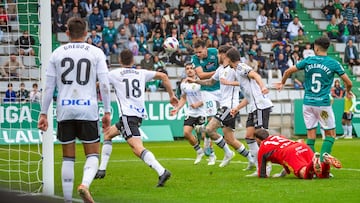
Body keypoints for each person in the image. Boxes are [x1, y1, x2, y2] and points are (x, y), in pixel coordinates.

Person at [37, 17, 111, 203]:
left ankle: (68, 200)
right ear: (86, 33)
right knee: (93, 155)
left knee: (68, 158)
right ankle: (84, 185)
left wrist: (43, 113)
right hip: (88, 110)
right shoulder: (96, 52)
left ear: (67, 33)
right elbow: (104, 84)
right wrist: (107, 111)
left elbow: (48, 87)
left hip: (65, 109)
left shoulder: (57, 53)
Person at [95, 49, 178, 187]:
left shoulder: (115, 74)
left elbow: (101, 84)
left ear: (120, 61)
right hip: (136, 116)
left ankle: (162, 171)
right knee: (108, 135)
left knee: (137, 148)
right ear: (133, 61)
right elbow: (164, 76)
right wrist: (171, 95)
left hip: (128, 116)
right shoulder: (141, 73)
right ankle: (102, 169)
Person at [275, 36, 353, 163]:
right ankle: (322, 163)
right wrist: (348, 92)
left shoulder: (308, 60)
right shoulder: (333, 63)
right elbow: (348, 83)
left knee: (310, 136)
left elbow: (288, 71)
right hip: (322, 105)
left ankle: (311, 165)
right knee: (331, 135)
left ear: (316, 48)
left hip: (307, 104)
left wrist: (282, 83)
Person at [187, 45, 255, 168]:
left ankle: (223, 150)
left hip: (230, 107)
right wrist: (196, 81)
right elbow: (210, 82)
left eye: (219, 54)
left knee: (209, 129)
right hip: (225, 106)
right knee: (230, 139)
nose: (217, 56)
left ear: (224, 55)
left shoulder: (234, 69)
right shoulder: (220, 69)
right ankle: (251, 159)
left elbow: (244, 81)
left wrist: (230, 83)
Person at [214, 47, 272, 176]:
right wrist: (237, 108)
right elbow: (248, 96)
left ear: (229, 59)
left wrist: (263, 86)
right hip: (253, 106)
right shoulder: (237, 71)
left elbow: (255, 75)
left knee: (260, 137)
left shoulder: (240, 67)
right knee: (249, 137)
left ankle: (269, 165)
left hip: (261, 106)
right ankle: (260, 168)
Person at [170, 63, 216, 165]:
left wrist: (199, 103)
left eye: (191, 68)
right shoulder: (183, 83)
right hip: (191, 112)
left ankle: (212, 155)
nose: (189, 70)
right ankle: (199, 152)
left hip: (202, 111)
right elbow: (183, 98)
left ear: (195, 70)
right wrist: (177, 109)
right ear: (185, 71)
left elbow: (208, 96)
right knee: (186, 133)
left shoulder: (200, 81)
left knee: (205, 135)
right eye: (187, 69)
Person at [254, 129, 342, 179]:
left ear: (258, 139)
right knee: (321, 175)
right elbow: (285, 163)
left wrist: (263, 176)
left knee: (305, 174)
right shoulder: (277, 137)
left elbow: (262, 174)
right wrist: (282, 175)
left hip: (290, 152)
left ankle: (314, 163)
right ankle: (326, 162)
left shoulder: (262, 148)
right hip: (301, 146)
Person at [191, 39, 219, 161]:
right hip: (206, 90)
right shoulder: (195, 59)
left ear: (205, 48)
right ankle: (208, 143)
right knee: (210, 118)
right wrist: (218, 72)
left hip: (221, 89)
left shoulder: (215, 52)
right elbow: (201, 75)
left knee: (223, 120)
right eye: (196, 52)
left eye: (200, 52)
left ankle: (205, 132)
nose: (198, 54)